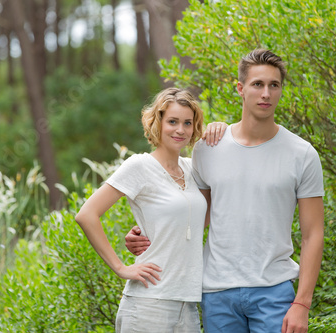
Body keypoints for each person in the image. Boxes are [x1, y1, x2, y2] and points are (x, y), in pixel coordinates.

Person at [125, 49, 325, 333]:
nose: (266, 93)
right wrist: (147, 231)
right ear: (241, 89)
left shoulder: (302, 154)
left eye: (274, 85)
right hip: (217, 293)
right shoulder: (208, 148)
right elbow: (197, 213)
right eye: (258, 84)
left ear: (281, 90)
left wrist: (302, 304)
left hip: (274, 292)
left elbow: (313, 233)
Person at [75, 88, 226, 333]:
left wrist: (220, 128)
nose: (180, 130)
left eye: (188, 123)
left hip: (187, 303)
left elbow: (199, 220)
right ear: (158, 123)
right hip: (148, 303)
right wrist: (121, 268)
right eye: (173, 122)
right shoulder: (140, 165)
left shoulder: (192, 168)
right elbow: (86, 215)